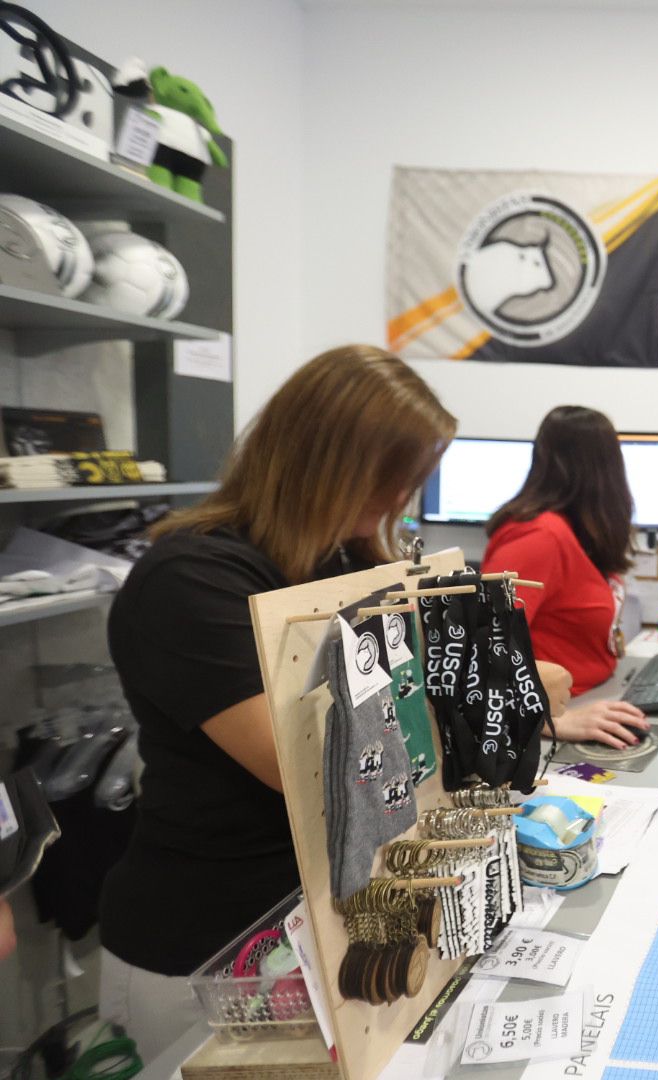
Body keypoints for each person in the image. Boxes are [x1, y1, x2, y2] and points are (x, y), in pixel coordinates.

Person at [99, 345, 460, 1056]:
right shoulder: (191, 580)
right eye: (389, 477)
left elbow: (411, 700)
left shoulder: (345, 561)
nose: (398, 499)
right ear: (324, 459)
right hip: (208, 947)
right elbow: (305, 765)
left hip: (317, 926)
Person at [482, 406, 651, 749]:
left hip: (593, 697)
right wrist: (550, 719)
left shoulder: (576, 531)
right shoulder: (540, 537)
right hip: (551, 723)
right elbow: (482, 647)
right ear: (607, 467)